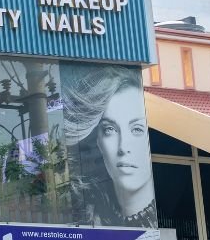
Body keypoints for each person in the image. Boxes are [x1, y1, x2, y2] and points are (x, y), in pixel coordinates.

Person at [62, 65, 157, 227]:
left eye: (137, 129)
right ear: (98, 140)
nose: (123, 147)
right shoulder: (86, 217)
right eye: (110, 129)